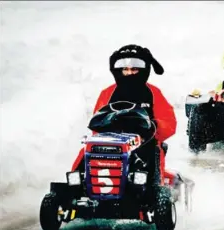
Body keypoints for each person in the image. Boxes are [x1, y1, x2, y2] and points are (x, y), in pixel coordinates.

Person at [71, 44, 177, 192]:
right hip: (112, 141)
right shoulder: (108, 93)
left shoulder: (153, 93)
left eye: (134, 69)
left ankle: (152, 191)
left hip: (143, 142)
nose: (129, 73)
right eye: (125, 69)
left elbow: (169, 122)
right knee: (87, 151)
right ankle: (77, 186)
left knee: (153, 152)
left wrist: (154, 126)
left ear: (143, 70)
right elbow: (97, 120)